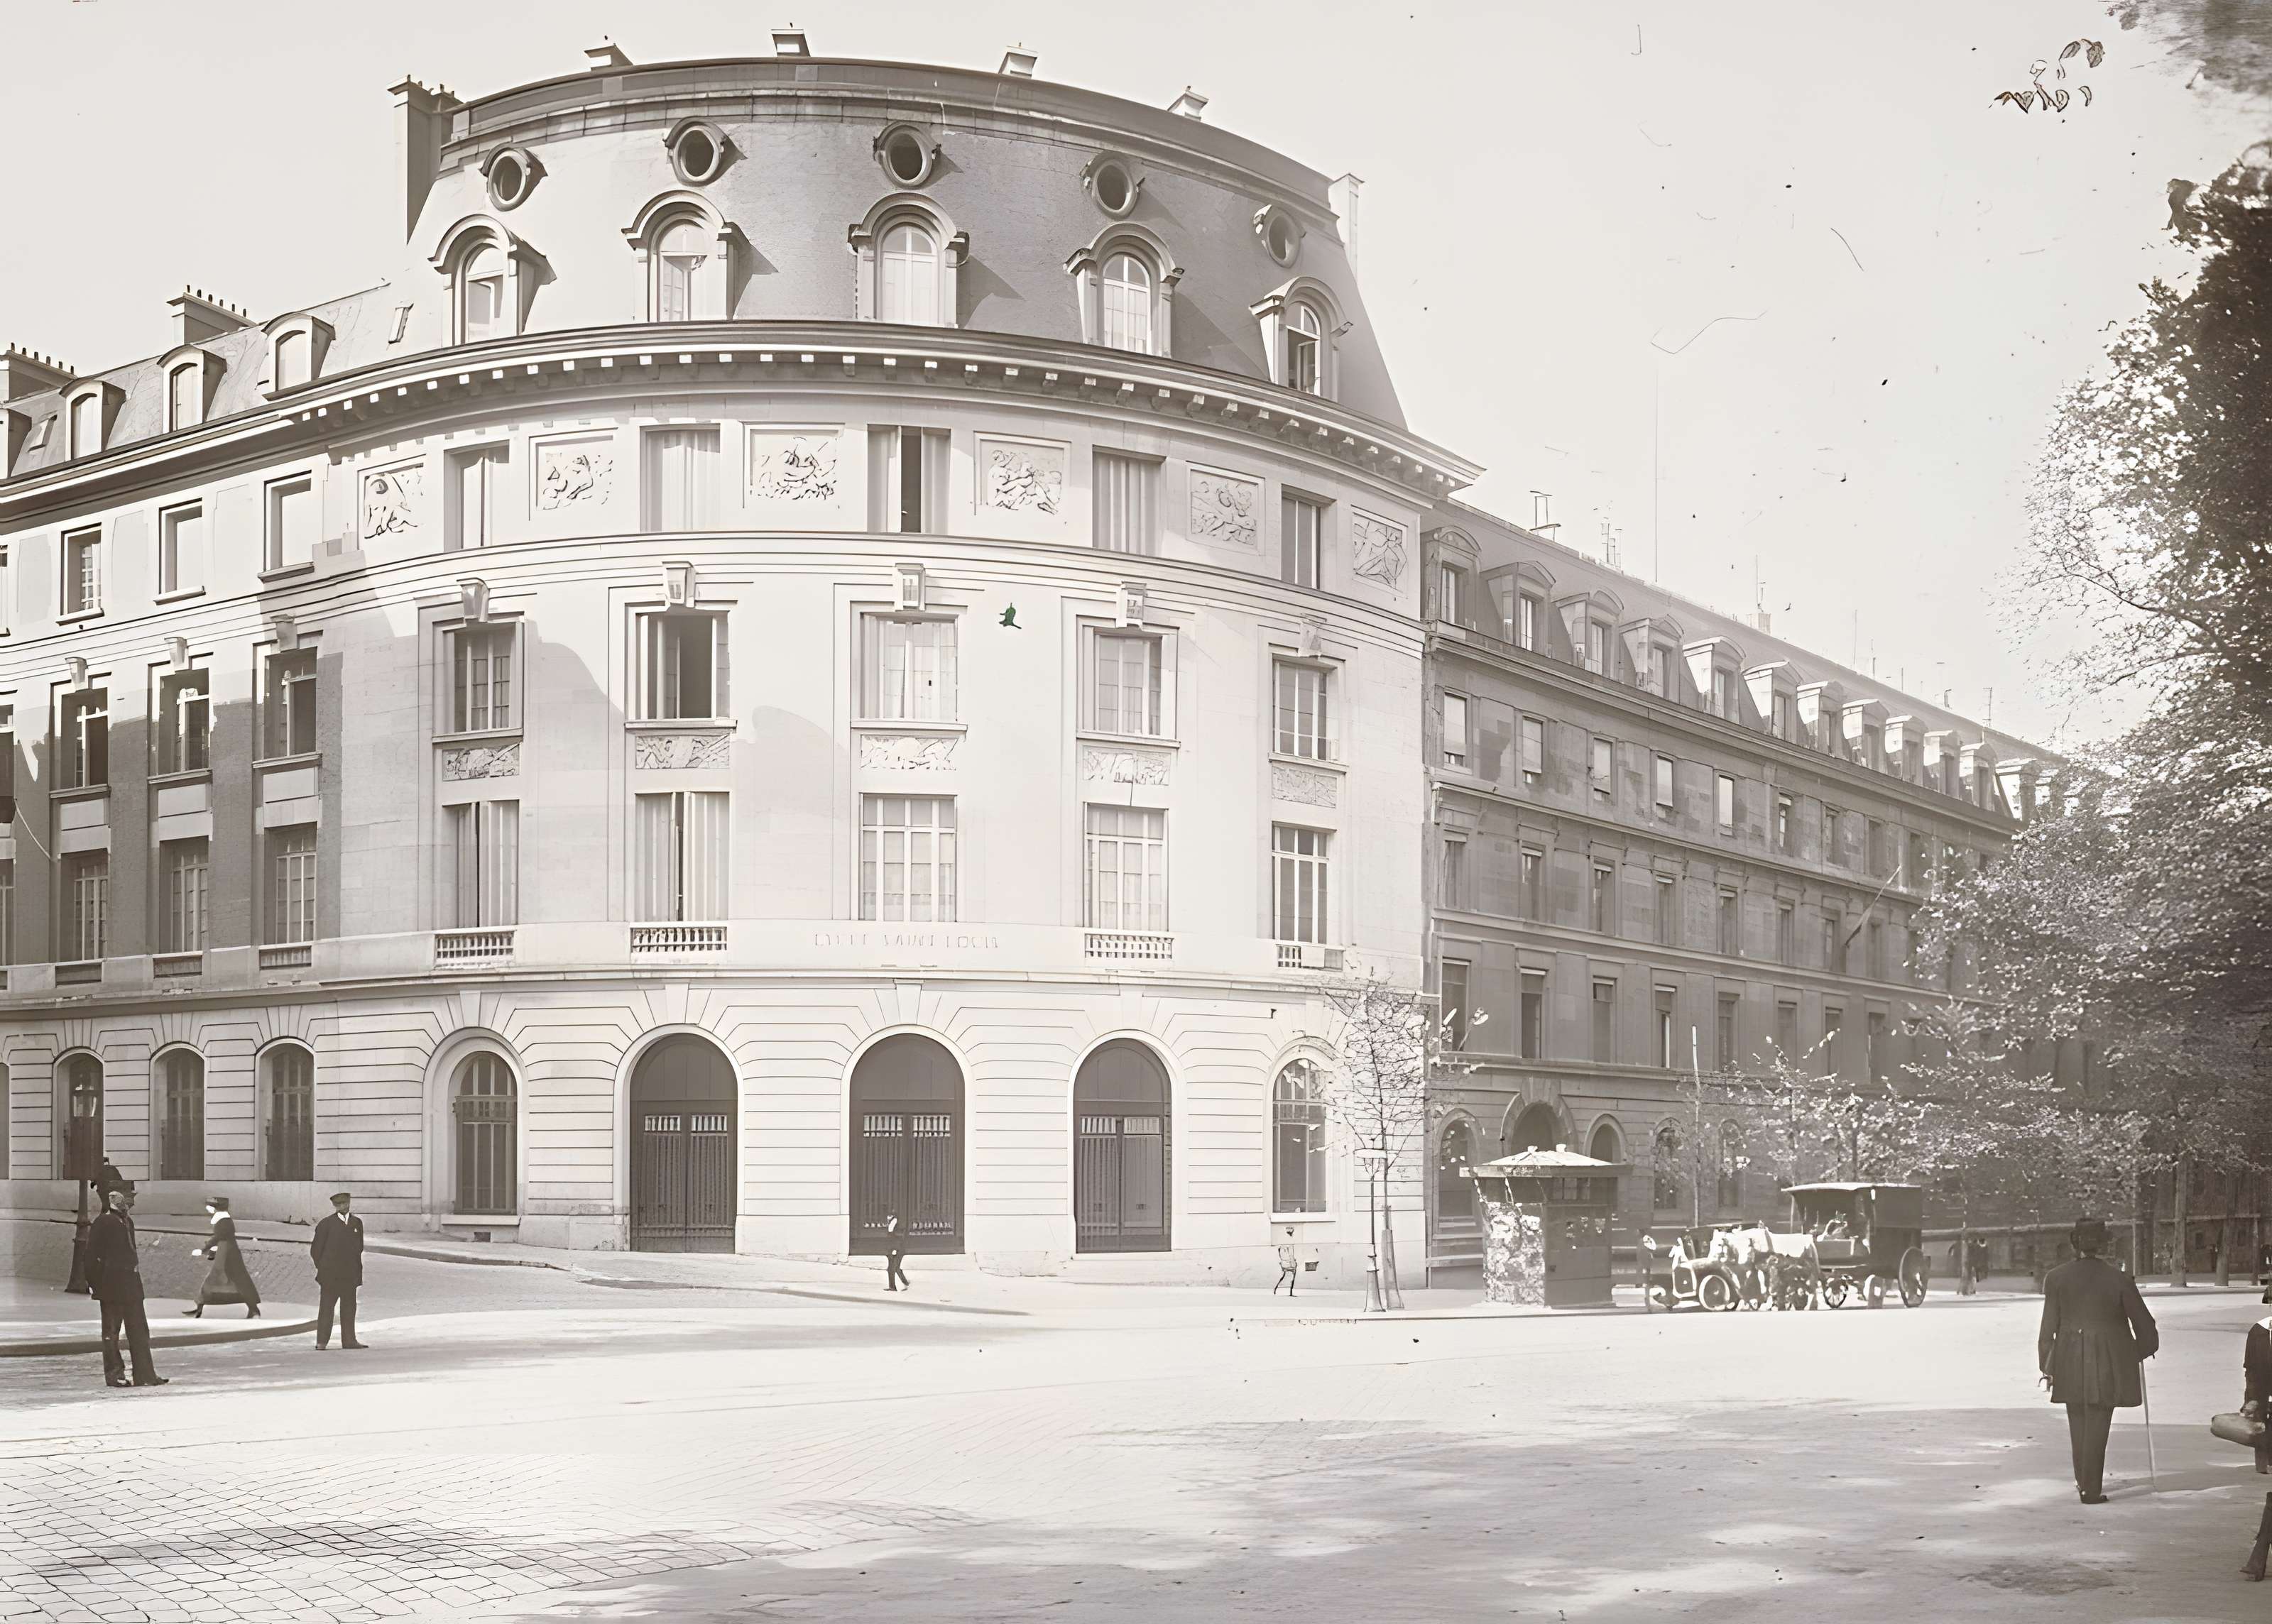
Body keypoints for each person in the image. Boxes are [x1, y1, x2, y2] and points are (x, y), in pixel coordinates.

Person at [2038, 1217, 2158, 1504]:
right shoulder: (2119, 1279)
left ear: (2074, 1244)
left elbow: (2047, 1330)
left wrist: (2048, 1366)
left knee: (2077, 1421)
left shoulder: (2055, 1278)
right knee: (2099, 1422)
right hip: (2107, 1361)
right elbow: (2146, 1328)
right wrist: (2131, 1355)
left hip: (2068, 1359)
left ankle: (2083, 1483)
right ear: (2104, 1245)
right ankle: (2090, 1489)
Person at [85, 1187, 168, 1388]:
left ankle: (145, 1375)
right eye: (128, 1198)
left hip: (132, 1287)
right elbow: (90, 1256)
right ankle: (115, 1375)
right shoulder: (103, 1222)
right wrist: (96, 1285)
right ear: (114, 1198)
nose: (131, 1202)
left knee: (140, 1332)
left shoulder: (127, 1221)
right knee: (111, 1334)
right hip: (111, 1287)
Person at [184, 1196, 261, 1320]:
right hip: (226, 1253)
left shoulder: (224, 1220)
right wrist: (212, 1252)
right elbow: (221, 1239)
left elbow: (219, 1237)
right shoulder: (222, 1219)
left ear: (215, 1208)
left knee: (233, 1281)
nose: (207, 1207)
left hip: (227, 1255)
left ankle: (254, 1310)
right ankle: (253, 1310)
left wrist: (203, 1250)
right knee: (237, 1281)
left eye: (209, 1205)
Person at [2240, 1288, 2272, 1579]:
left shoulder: (2261, 1332)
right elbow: (2253, 1375)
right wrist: (2253, 1401)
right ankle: (2259, 1556)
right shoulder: (2260, 1333)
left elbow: (2253, 1375)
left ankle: (2258, 1556)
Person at [310, 1191, 366, 1349]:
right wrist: (324, 1268)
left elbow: (359, 1248)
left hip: (350, 1274)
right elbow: (316, 1250)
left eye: (345, 1203)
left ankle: (349, 1340)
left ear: (349, 1203)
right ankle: (321, 1342)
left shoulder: (357, 1223)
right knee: (327, 1308)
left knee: (349, 1308)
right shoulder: (326, 1224)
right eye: (339, 1204)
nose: (342, 1206)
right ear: (335, 1206)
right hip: (331, 1276)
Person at [881, 1209, 910, 1293]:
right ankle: (903, 1283)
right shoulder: (894, 1223)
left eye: (889, 1216)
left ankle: (896, 1286)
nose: (887, 1217)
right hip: (894, 1249)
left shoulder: (895, 1223)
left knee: (893, 1268)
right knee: (894, 1268)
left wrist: (894, 1249)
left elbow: (896, 1238)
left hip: (896, 1249)